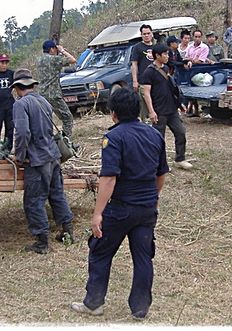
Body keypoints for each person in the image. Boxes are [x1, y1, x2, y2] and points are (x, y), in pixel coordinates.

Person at [70, 88, 169, 319]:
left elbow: (109, 178)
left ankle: (94, 303)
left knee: (100, 252)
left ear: (113, 113)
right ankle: (140, 308)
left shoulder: (113, 138)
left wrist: (97, 213)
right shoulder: (155, 135)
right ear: (137, 110)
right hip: (147, 208)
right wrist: (152, 198)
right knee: (143, 257)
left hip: (120, 208)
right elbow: (161, 173)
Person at [12, 68, 75, 254]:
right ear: (31, 85)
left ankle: (41, 242)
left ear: (17, 87)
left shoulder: (21, 104)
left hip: (37, 159)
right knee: (57, 194)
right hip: (53, 155)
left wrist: (19, 156)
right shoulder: (44, 101)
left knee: (34, 200)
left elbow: (22, 133)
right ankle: (67, 232)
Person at [141, 44, 193, 170]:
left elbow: (172, 88)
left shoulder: (166, 68)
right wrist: (151, 111)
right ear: (157, 55)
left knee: (180, 132)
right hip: (159, 110)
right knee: (159, 139)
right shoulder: (149, 72)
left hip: (171, 109)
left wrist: (179, 104)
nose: (167, 56)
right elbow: (146, 93)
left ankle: (180, 158)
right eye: (165, 54)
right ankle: (159, 164)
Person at [35, 39, 76, 137]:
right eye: (55, 49)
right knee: (67, 118)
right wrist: (62, 51)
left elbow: (53, 65)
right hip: (53, 94)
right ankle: (66, 141)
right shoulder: (54, 59)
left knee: (46, 120)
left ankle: (48, 140)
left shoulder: (39, 60)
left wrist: (59, 54)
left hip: (41, 94)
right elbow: (73, 60)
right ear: (52, 49)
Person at [129, 24, 156, 121]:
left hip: (156, 80)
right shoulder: (137, 47)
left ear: (152, 34)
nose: (146, 35)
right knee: (144, 106)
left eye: (148, 33)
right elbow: (134, 65)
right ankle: (145, 123)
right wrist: (135, 81)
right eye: (144, 34)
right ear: (141, 35)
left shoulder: (156, 47)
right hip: (143, 81)